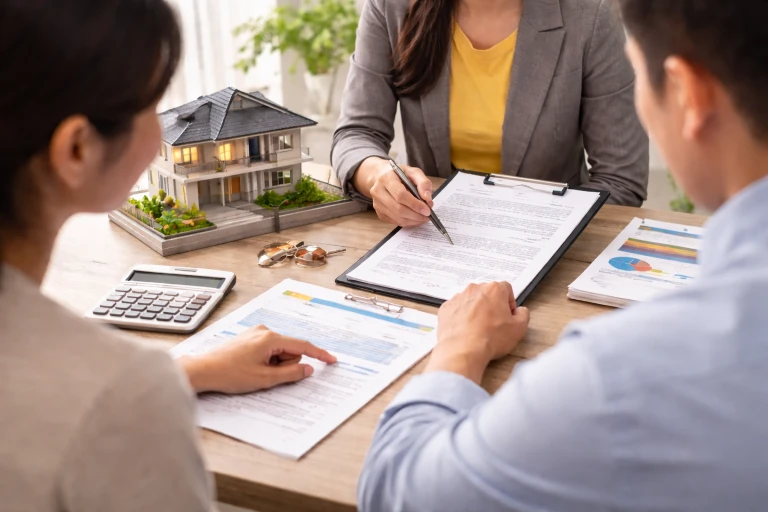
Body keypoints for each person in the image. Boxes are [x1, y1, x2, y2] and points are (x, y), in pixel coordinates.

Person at [358, 0, 768, 510]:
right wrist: (376, 173)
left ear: (689, 95)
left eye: (639, 74)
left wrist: (461, 348)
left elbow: (400, 493)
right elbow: (356, 132)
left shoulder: (608, 376)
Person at [0, 1, 336, 510]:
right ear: (77, 150)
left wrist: (187, 372)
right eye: (152, 104)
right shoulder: (122, 396)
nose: (164, 131)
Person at [332, 0, 649, 228]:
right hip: (430, 233)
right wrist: (378, 177)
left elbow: (621, 178)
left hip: (548, 240)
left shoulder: (590, 15)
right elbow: (356, 134)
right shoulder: (392, 7)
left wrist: (548, 231)